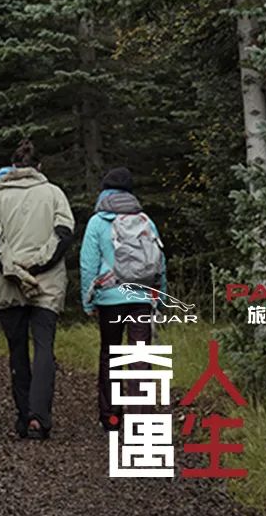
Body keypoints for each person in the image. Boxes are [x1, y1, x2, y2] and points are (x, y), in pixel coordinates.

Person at [0, 140, 75, 441]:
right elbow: (64, 235)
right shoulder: (54, 194)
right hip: (46, 284)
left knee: (17, 351)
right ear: (39, 167)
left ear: (13, 167)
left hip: (10, 285)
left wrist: (16, 270)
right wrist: (36, 267)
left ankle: (23, 416)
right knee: (44, 348)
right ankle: (39, 416)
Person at [79, 166, 167, 432]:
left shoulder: (96, 223)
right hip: (140, 298)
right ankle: (142, 418)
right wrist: (160, 298)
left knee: (111, 354)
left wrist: (88, 300)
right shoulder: (145, 220)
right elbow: (159, 262)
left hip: (109, 298)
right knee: (140, 355)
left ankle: (112, 417)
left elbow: (87, 264)